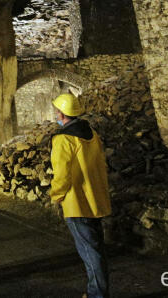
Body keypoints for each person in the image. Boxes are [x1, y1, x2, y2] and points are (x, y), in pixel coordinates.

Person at [50, 93, 112, 298]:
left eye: (57, 111)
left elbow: (62, 174)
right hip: (96, 198)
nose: (56, 114)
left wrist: (55, 196)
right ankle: (98, 291)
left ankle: (97, 295)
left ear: (62, 113)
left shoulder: (63, 139)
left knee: (89, 252)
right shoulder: (92, 134)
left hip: (76, 202)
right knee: (97, 250)